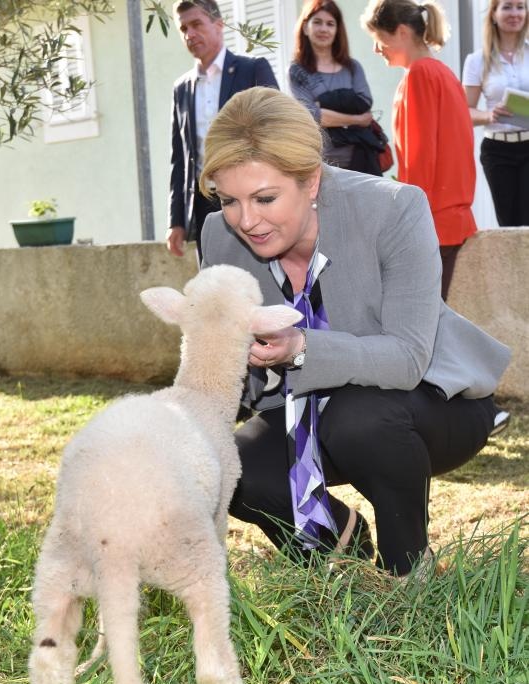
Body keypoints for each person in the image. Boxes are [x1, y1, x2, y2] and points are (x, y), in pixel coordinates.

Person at [197, 87, 510, 578]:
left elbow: (408, 357)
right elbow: (224, 369)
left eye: (265, 198)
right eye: (229, 199)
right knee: (228, 470)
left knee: (359, 417)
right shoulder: (219, 235)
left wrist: (301, 348)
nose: (247, 221)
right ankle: (338, 553)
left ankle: (408, 572)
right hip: (307, 410)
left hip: (433, 401)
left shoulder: (394, 209)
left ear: (312, 181)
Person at [361, 0, 477, 300]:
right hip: (450, 219)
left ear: (400, 32)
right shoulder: (442, 72)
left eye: (378, 39)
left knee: (424, 325)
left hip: (432, 220)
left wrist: (408, 220)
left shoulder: (419, 75)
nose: (377, 49)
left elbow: (420, 155)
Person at [165, 0, 278, 261]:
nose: (189, 34)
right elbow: (179, 158)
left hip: (251, 195)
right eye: (183, 28)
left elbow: (274, 128)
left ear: (218, 25)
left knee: (261, 277)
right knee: (213, 281)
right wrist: (177, 220)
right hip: (204, 200)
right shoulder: (181, 88)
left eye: (196, 24)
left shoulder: (252, 69)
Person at [289, 0, 383, 175]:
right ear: (305, 28)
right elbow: (312, 116)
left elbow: (364, 102)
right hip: (323, 164)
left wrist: (324, 107)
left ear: (337, 30)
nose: (324, 29)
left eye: (330, 24)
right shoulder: (298, 71)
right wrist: (356, 119)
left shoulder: (353, 67)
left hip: (362, 160)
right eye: (317, 22)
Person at [462, 0, 529, 227]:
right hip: (498, 151)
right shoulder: (476, 60)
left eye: (521, 7)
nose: (515, 13)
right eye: (508, 7)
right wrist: (490, 115)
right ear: (494, 14)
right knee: (509, 225)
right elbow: (465, 112)